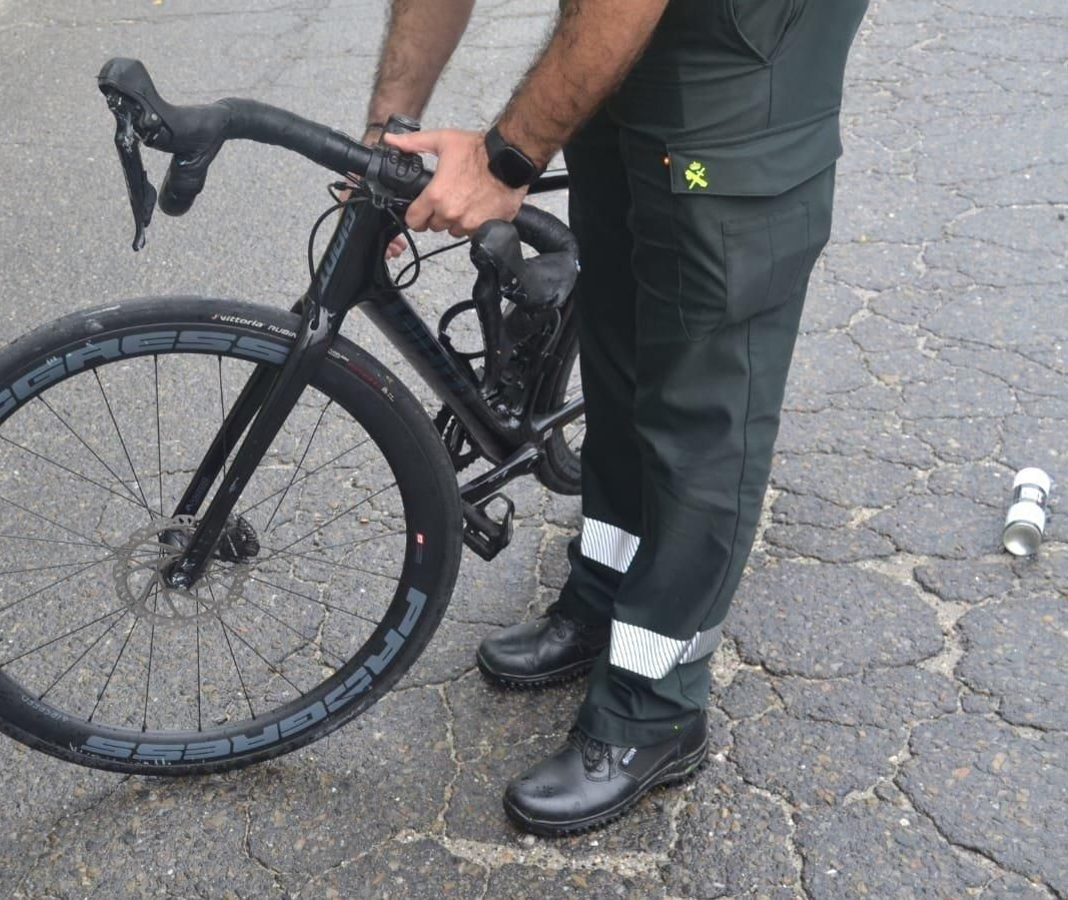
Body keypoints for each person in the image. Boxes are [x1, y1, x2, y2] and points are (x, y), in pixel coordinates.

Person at [360, 0, 867, 836]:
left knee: (703, 404)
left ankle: (656, 706)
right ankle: (605, 599)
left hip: (749, 45)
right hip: (621, 38)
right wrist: (389, 128)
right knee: (624, 354)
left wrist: (507, 159)